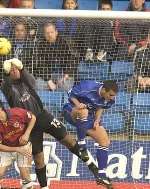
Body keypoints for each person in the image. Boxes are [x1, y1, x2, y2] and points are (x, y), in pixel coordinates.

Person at [1, 58, 99, 189]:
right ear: (8, 73)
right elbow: (6, 82)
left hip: (43, 116)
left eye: (16, 68)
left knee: (68, 140)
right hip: (27, 124)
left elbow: (29, 78)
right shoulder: (7, 87)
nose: (15, 71)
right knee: (39, 158)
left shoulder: (27, 81)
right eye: (11, 70)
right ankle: (44, 187)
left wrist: (21, 67)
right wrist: (6, 69)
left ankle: (91, 165)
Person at [63, 80, 118, 189]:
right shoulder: (87, 86)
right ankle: (82, 146)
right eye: (110, 95)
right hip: (71, 110)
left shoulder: (109, 99)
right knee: (84, 111)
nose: (112, 97)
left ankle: (101, 175)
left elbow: (100, 106)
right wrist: (78, 104)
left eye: (114, 96)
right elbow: (72, 95)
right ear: (103, 90)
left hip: (89, 117)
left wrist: (97, 119)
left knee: (104, 140)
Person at [0, 100, 36, 189]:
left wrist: (27, 134)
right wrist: (16, 149)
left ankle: (27, 186)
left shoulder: (16, 112)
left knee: (25, 176)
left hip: (24, 147)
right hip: (7, 149)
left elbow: (33, 118)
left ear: (0, 108)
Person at [34, 22, 78, 91]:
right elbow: (40, 64)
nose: (50, 35)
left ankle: (58, 92)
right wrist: (49, 81)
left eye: (52, 32)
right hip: (47, 75)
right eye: (47, 33)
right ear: (44, 34)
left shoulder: (65, 42)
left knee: (65, 86)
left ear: (56, 32)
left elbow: (73, 60)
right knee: (37, 85)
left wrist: (66, 75)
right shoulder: (40, 45)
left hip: (63, 74)